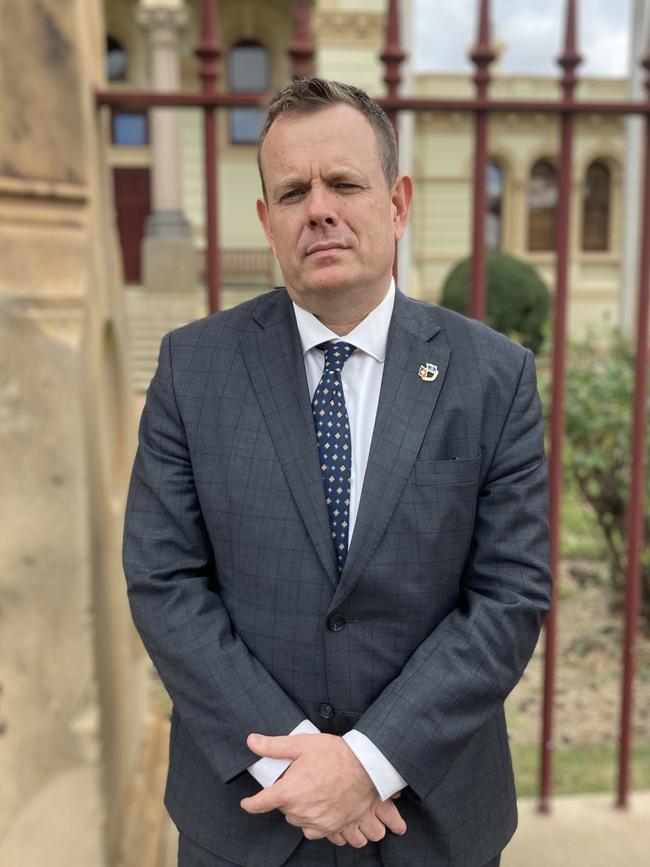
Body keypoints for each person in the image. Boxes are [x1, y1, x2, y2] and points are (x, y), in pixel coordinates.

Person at [123, 77, 551, 867]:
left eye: (344, 183)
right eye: (292, 190)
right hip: (248, 819)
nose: (318, 207)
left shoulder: (494, 377)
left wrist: (367, 761)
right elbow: (163, 579)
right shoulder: (194, 368)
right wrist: (295, 761)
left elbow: (510, 595)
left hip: (430, 820)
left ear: (396, 202)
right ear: (267, 220)